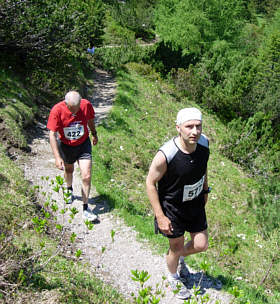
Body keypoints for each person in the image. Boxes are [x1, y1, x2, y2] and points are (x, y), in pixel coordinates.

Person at [146, 107, 211, 300]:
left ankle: (176, 258)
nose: (194, 131)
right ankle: (173, 276)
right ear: (178, 128)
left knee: (201, 244)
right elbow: (150, 183)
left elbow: (203, 167)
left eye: (198, 126)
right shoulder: (167, 154)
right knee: (176, 245)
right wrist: (160, 216)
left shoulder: (204, 143)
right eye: (189, 126)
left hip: (195, 204)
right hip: (172, 208)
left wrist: (206, 188)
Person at [47, 91, 98, 221]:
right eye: (71, 109)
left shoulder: (86, 105)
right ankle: (69, 189)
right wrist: (57, 157)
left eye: (77, 108)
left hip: (83, 144)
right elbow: (52, 134)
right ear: (66, 104)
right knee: (69, 170)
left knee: (86, 175)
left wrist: (94, 133)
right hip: (66, 145)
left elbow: (90, 119)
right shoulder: (57, 110)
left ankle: (86, 208)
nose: (75, 112)